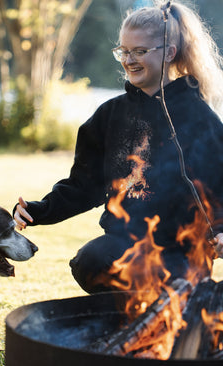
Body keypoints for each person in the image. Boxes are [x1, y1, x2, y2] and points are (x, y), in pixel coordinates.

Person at [14, 1, 223, 295]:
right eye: (124, 51)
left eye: (140, 51)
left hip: (182, 252)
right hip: (126, 246)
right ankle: (137, 325)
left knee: (178, 292)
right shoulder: (108, 116)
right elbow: (83, 186)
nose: (129, 60)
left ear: (169, 53)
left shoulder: (198, 116)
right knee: (89, 261)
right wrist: (39, 211)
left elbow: (218, 182)